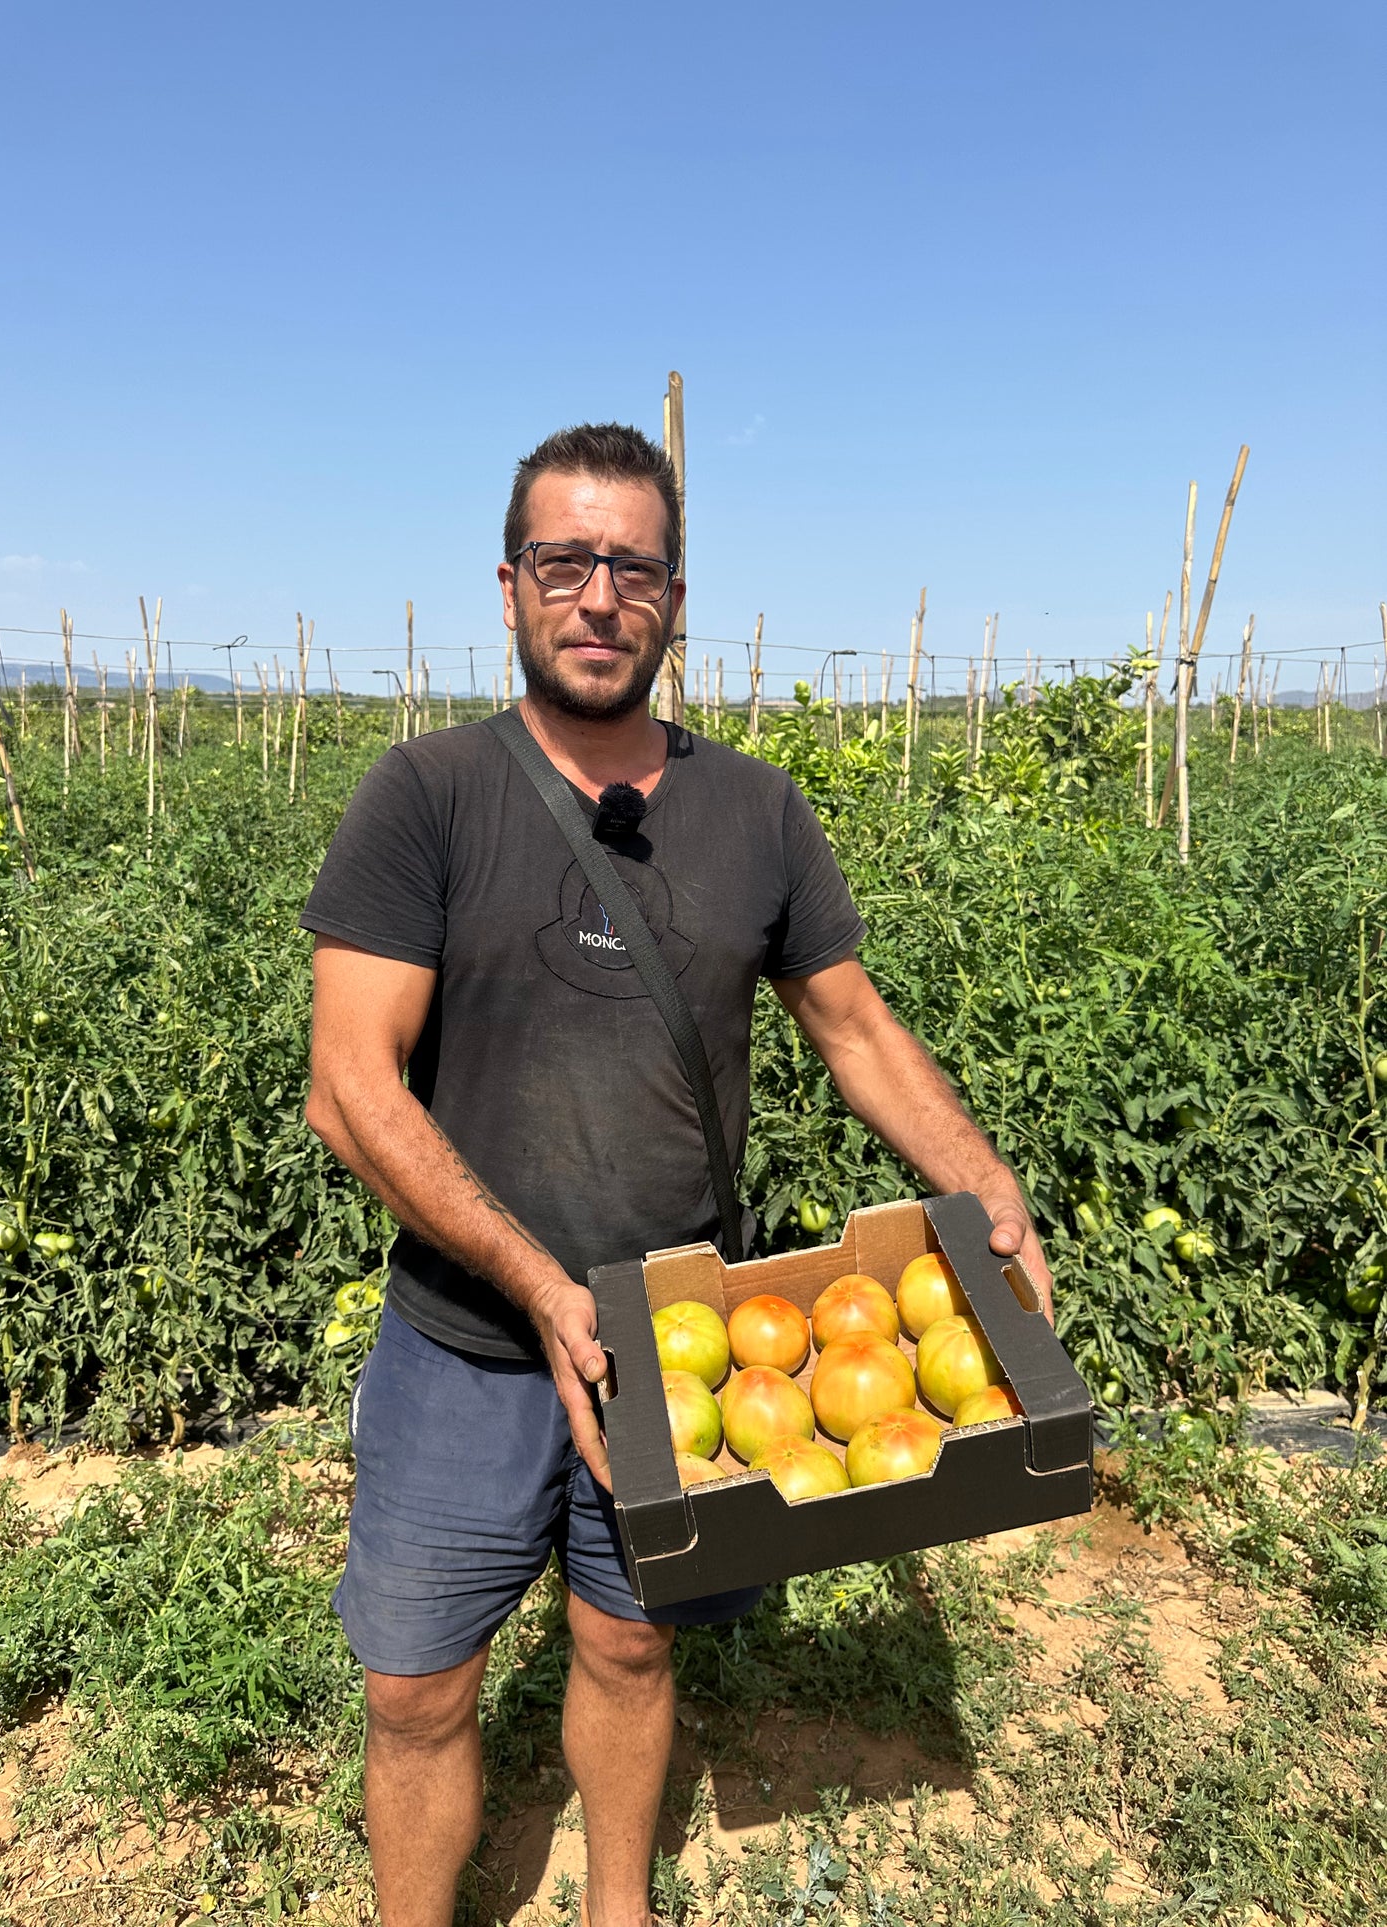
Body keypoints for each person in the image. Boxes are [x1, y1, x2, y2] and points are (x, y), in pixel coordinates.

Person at [301, 422, 1053, 1927]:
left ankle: (616, 1909)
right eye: (565, 563)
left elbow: (853, 1027)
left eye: (630, 568)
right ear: (510, 586)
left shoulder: (756, 811)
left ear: (674, 594)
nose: (597, 597)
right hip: (467, 1336)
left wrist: (984, 1185)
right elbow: (349, 1087)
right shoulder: (427, 794)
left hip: (678, 1342)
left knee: (631, 1646)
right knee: (416, 1689)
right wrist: (533, 1283)